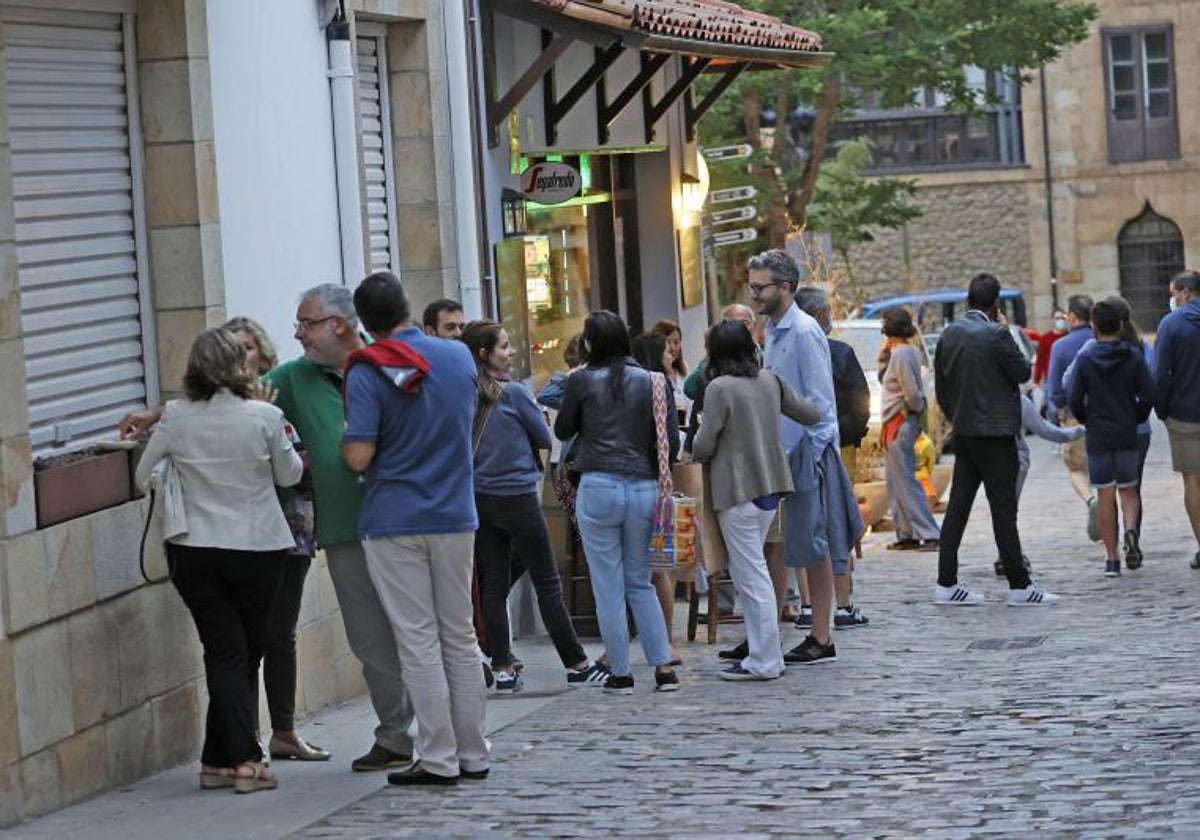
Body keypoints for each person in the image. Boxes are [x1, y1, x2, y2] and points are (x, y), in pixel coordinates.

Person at [119, 290, 415, 773]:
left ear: (339, 324)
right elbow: (264, 441)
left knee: (416, 631)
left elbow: (144, 474)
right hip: (304, 537)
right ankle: (382, 736)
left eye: (306, 323)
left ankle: (223, 761)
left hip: (397, 519)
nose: (296, 333)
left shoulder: (384, 365)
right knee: (338, 640)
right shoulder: (282, 394)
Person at [135, 328, 303, 794]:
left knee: (229, 653)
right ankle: (247, 762)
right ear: (241, 367)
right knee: (241, 653)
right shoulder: (266, 416)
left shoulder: (175, 417)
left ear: (193, 368)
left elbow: (141, 475)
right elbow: (290, 475)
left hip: (194, 550)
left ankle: (216, 762)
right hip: (257, 549)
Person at [342, 271, 488, 786]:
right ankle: (474, 752)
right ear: (408, 307)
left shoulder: (364, 371)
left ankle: (438, 757)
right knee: (460, 635)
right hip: (455, 512)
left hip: (394, 518)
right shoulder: (459, 356)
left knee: (418, 640)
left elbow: (359, 452)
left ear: (365, 323)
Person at [462, 320, 607, 691]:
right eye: (504, 346)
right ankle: (576, 662)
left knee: (494, 584)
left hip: (480, 496)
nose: (511, 353)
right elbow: (544, 437)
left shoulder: (464, 392)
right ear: (485, 353)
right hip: (517, 496)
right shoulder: (512, 394)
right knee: (546, 581)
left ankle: (503, 667)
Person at [554, 310, 681, 695]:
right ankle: (663, 667)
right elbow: (670, 444)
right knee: (640, 582)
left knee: (607, 584)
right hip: (643, 488)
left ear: (590, 344)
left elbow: (563, 430)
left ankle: (621, 671)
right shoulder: (655, 382)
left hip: (598, 486)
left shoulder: (582, 382)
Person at [748, 249, 862, 664]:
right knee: (795, 545)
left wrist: (813, 455)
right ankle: (799, 632)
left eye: (760, 287)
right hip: (783, 453)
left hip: (806, 453)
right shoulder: (775, 331)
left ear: (785, 287)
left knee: (816, 544)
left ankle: (822, 636)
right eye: (752, 286)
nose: (754, 295)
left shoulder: (802, 332)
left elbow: (819, 401)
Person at [222, 317, 329, 763]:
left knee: (279, 634)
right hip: (239, 534)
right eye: (233, 349)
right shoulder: (215, 408)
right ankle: (246, 738)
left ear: (264, 356)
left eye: (248, 347)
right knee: (242, 640)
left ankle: (284, 731)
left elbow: (306, 460)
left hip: (289, 529)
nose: (242, 357)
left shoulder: (283, 396)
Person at [692, 321, 819, 680]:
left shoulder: (719, 388)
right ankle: (765, 655)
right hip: (771, 487)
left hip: (737, 489)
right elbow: (811, 413)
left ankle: (764, 659)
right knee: (755, 573)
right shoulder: (771, 380)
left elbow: (704, 445)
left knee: (751, 577)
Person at [933, 273, 1058, 606]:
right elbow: (1022, 374)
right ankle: (1020, 586)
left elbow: (941, 387)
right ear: (995, 304)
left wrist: (956, 415)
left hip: (964, 433)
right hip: (997, 433)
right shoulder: (996, 334)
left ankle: (946, 582)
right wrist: (1004, 330)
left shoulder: (949, 335)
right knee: (1003, 510)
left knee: (957, 508)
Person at [794, 287, 871, 630]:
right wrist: (848, 434)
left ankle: (811, 604)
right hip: (835, 448)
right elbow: (860, 403)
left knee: (806, 523)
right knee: (838, 522)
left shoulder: (790, 351)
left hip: (803, 448)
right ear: (822, 316)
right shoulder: (838, 353)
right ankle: (841, 602)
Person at [1068, 297, 1155, 578]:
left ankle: (1112, 559)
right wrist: (1137, 415)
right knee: (1129, 490)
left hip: (1099, 434)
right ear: (1120, 324)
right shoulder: (1133, 355)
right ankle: (1131, 532)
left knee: (1105, 494)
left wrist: (1085, 418)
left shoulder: (1085, 358)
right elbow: (1149, 393)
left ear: (1094, 325)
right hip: (1126, 431)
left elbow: (1073, 397)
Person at [632, 329, 687, 663]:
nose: (672, 356)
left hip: (632, 482)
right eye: (667, 351)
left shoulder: (624, 385)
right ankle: (664, 641)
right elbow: (672, 442)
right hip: (652, 482)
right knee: (656, 568)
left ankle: (657, 641)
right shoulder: (656, 384)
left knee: (646, 569)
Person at [878, 308, 941, 553]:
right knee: (896, 482)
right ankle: (906, 533)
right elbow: (888, 378)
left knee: (905, 481)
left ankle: (928, 532)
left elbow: (912, 393)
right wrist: (883, 356)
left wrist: (911, 411)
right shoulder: (903, 352)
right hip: (898, 421)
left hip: (900, 421)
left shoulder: (902, 354)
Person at [1154, 270, 1200, 569]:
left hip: (1185, 415)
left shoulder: (1171, 324)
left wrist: (1161, 408)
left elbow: (1160, 374)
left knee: (1193, 481)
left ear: (1185, 293)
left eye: (1173, 293)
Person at [1047, 294, 1098, 535]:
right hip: (1107, 415)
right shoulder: (1102, 339)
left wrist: (1060, 411)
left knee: (1077, 469)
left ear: (1073, 317)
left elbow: (1055, 388)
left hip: (1075, 417)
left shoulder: (1061, 346)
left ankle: (1091, 501)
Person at [650, 318, 691, 414]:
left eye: (676, 342)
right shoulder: (654, 377)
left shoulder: (683, 367)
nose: (672, 348)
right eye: (668, 342)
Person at [1033, 310, 1068, 387]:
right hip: (1051, 380)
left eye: (1063, 318)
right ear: (1053, 320)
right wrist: (1036, 381)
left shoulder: (1070, 336)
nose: (1060, 320)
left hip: (1068, 378)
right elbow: (1040, 361)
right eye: (1057, 318)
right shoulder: (1045, 338)